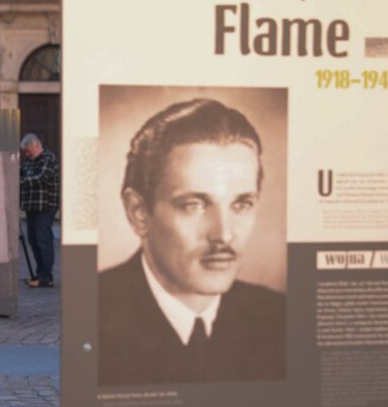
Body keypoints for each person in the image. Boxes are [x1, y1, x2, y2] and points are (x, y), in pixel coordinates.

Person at [98, 98, 285, 386]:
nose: (223, 234)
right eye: (194, 205)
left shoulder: (277, 317)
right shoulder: (94, 315)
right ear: (138, 213)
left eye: (241, 204)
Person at [19, 133, 59, 288]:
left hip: (45, 207)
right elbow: (21, 173)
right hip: (31, 206)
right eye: (25, 152)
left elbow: (39, 178)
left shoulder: (49, 158)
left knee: (43, 240)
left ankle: (46, 277)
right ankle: (40, 273)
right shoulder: (29, 161)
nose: (27, 154)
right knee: (33, 240)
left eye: (28, 151)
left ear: (36, 145)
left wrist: (20, 180)